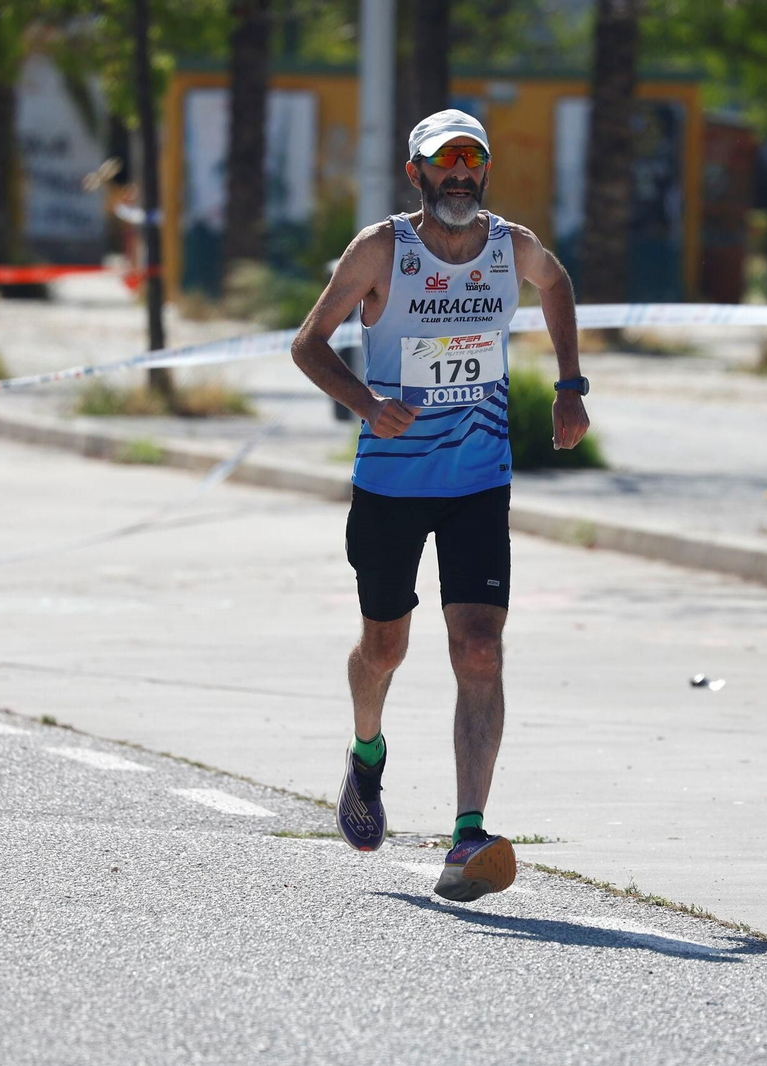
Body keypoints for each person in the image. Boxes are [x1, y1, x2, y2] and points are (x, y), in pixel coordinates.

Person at [291, 110, 590, 902]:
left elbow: (557, 283)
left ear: (485, 171)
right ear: (416, 172)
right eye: (444, 162)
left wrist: (569, 385)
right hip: (391, 484)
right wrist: (366, 404)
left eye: (472, 161)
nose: (460, 174)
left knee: (480, 649)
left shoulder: (510, 246)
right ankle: (366, 755)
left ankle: (467, 835)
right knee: (384, 648)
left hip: (477, 481)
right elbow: (307, 343)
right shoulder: (380, 249)